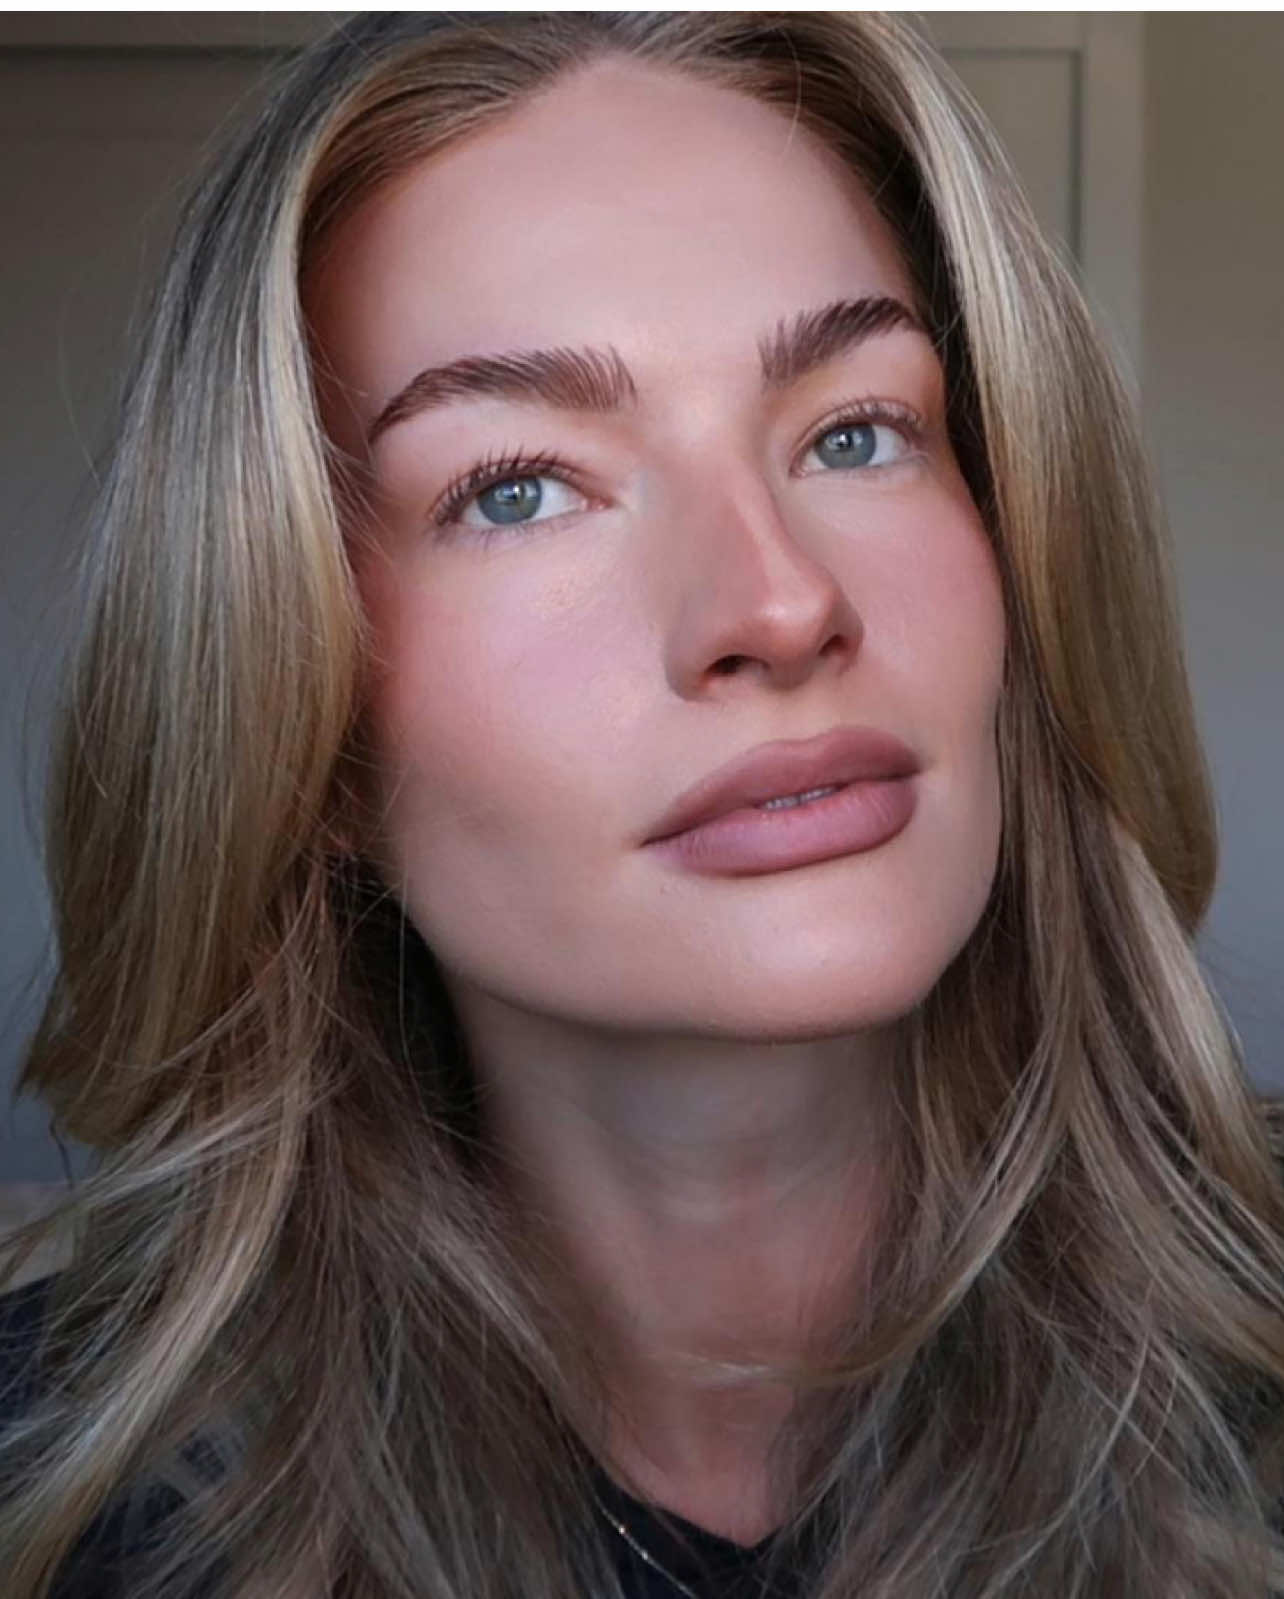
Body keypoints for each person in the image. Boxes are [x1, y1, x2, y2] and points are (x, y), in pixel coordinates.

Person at [2, 11, 1283, 1598]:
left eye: (856, 433)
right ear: (297, 722)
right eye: (517, 490)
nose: (780, 604)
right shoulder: (61, 1503)